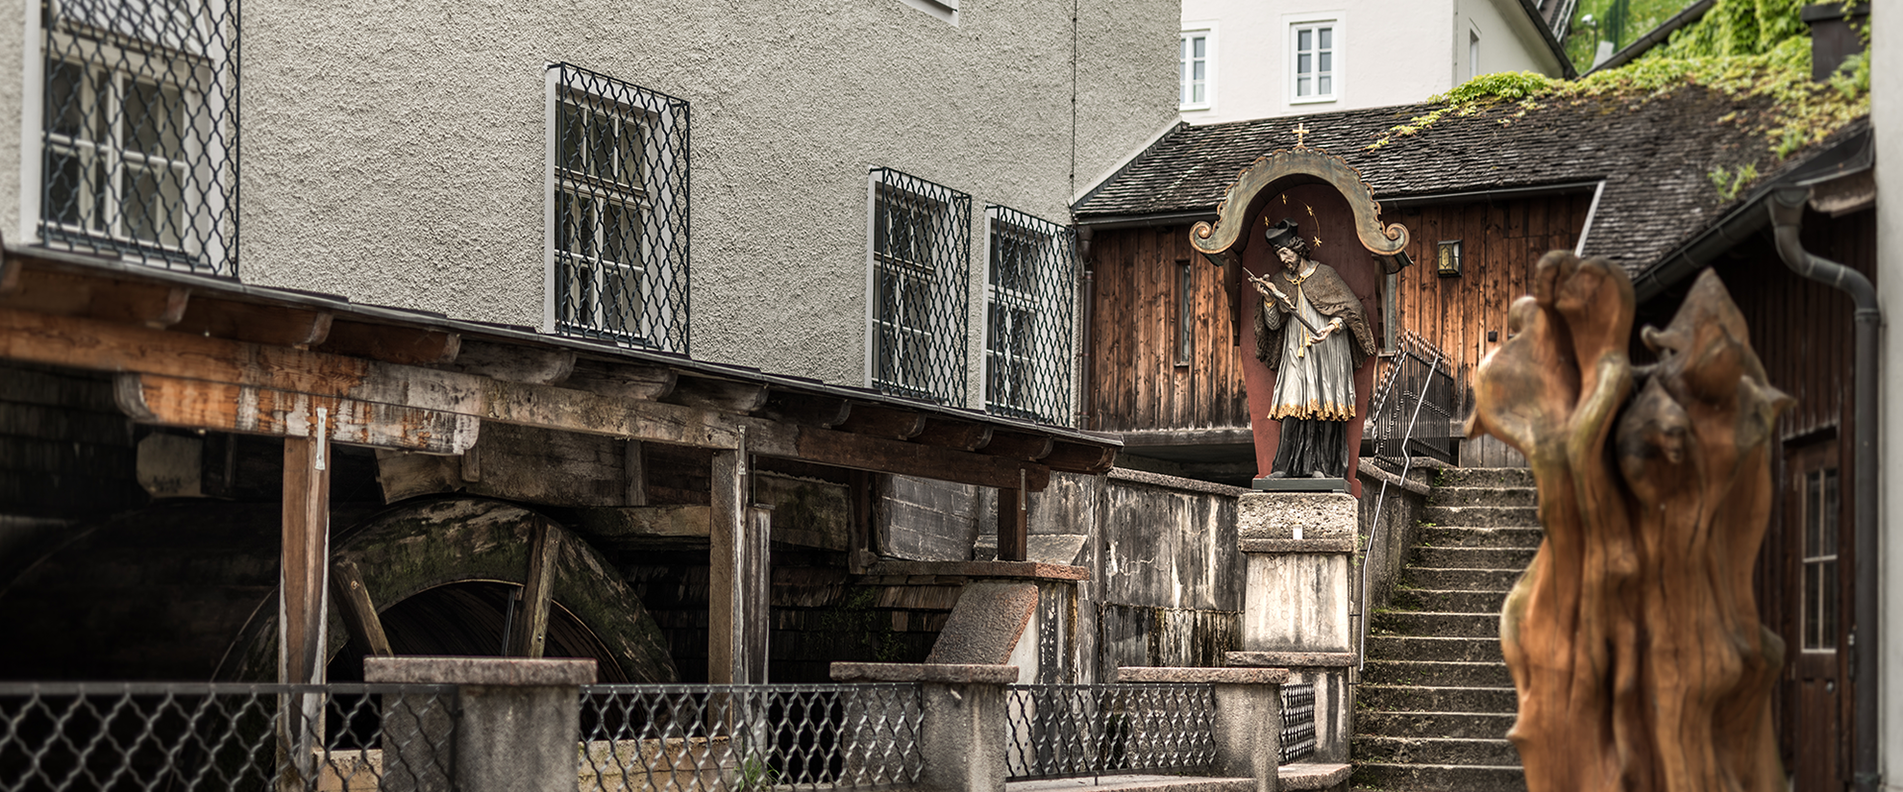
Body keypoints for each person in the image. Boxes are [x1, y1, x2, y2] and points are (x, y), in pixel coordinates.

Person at [1251, 218, 1377, 479]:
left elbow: (1352, 311)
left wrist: (1330, 329)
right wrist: (1268, 300)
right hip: (1295, 350)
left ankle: (1320, 467)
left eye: (1286, 252)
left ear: (1298, 249)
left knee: (1324, 400)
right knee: (1292, 399)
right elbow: (1273, 325)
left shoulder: (1325, 275)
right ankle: (1283, 468)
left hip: (1328, 349)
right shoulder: (1279, 281)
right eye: (1279, 255)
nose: (1283, 259)